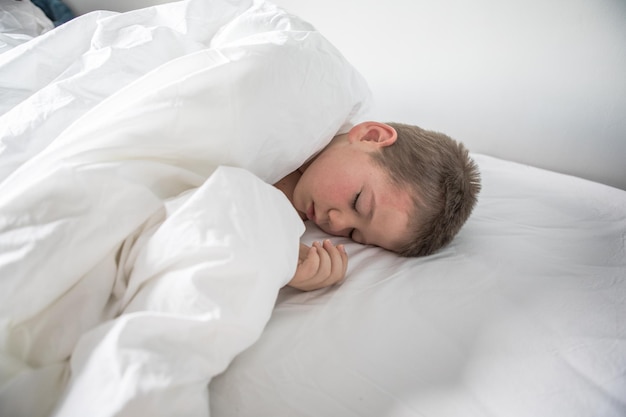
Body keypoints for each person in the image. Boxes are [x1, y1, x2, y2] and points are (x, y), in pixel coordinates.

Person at [274, 121, 481, 291]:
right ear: (372, 136)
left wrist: (282, 256)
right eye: (357, 202)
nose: (336, 224)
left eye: (353, 233)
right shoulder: (308, 109)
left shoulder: (285, 208)